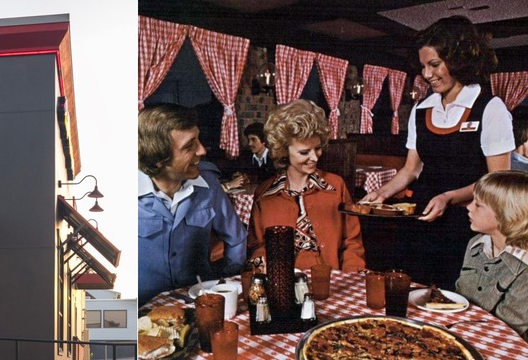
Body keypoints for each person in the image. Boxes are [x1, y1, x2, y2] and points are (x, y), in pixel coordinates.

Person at [360, 16, 514, 289]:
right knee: (412, 292)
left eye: (434, 65)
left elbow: (498, 180)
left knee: (454, 297)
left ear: (458, 61)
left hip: (465, 224)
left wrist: (449, 197)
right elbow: (411, 169)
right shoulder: (422, 109)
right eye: (423, 67)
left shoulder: (490, 108)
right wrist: (382, 193)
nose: (427, 75)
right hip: (420, 220)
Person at [138, 104, 247, 306]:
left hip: (200, 304)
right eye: (189, 146)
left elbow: (237, 239)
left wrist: (225, 280)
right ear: (159, 158)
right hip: (143, 313)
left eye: (198, 140)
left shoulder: (209, 186)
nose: (202, 150)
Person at [247, 99, 366, 272]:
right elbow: (257, 246)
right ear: (283, 151)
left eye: (317, 148)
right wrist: (261, 264)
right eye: (304, 152)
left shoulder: (336, 186)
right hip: (282, 285)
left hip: (329, 284)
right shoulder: (265, 194)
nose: (315, 158)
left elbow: (352, 243)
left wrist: (351, 279)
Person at [456, 171, 528, 341]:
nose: (469, 207)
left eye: (478, 204)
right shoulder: (476, 245)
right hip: (468, 334)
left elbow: (509, 331)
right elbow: (460, 302)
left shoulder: (524, 267)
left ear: (508, 214)